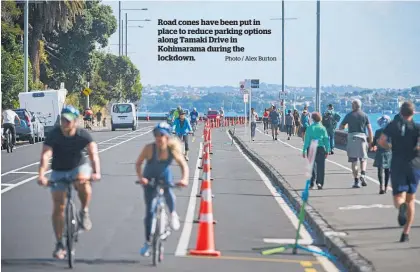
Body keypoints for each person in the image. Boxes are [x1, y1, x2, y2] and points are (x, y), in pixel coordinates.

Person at [37, 105, 101, 259]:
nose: (65, 123)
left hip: (78, 167)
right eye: (63, 120)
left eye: (69, 121)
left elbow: (93, 154)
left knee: (83, 183)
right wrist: (41, 175)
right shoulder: (54, 135)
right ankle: (60, 244)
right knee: (58, 206)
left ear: (75, 122)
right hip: (59, 170)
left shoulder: (82, 135)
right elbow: (46, 155)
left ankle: (84, 211)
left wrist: (96, 172)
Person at [135, 122, 189, 256]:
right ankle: (147, 242)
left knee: (169, 192)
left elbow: (184, 165)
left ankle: (172, 214)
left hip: (165, 177)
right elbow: (138, 163)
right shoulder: (149, 148)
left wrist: (184, 179)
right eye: (156, 135)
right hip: (149, 179)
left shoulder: (172, 149)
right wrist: (141, 177)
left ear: (167, 137)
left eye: (162, 135)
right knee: (149, 212)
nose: (159, 138)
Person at [378, 101, 420, 242]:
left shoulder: (393, 125)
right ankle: (406, 233)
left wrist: (390, 146)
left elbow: (382, 141)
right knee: (411, 199)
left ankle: (401, 207)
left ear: (401, 113)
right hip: (414, 165)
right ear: (413, 113)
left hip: (397, 164)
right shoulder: (416, 127)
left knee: (398, 196)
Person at [339, 99, 373, 188]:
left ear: (354, 106)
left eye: (351, 104)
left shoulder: (349, 115)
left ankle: (356, 181)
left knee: (354, 161)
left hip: (352, 138)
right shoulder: (365, 115)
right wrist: (371, 142)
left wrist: (346, 125)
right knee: (363, 158)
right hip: (362, 138)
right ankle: (363, 174)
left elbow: (341, 127)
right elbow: (369, 129)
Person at [302, 112, 330, 189]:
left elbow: (306, 140)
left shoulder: (310, 128)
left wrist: (304, 150)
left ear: (312, 119)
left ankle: (311, 183)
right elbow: (326, 140)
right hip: (321, 148)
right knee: (321, 166)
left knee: (311, 166)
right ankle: (320, 183)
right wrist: (327, 150)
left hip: (311, 147)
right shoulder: (322, 128)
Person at [371, 115, 392, 194]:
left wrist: (372, 146)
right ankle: (386, 187)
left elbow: (374, 142)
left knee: (380, 170)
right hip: (388, 152)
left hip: (380, 152)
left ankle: (381, 186)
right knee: (387, 171)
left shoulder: (377, 131)